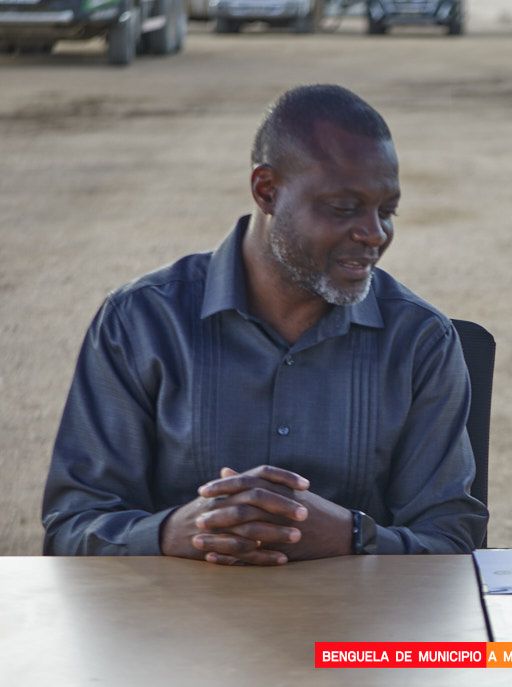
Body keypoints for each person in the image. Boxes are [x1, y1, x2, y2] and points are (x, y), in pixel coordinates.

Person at [42, 84, 487, 564]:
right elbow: (71, 528)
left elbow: (452, 539)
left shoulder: (419, 340)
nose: (374, 233)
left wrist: (353, 534)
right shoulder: (140, 323)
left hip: (356, 614)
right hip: (174, 612)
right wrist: (172, 533)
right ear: (266, 191)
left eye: (387, 211)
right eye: (344, 208)